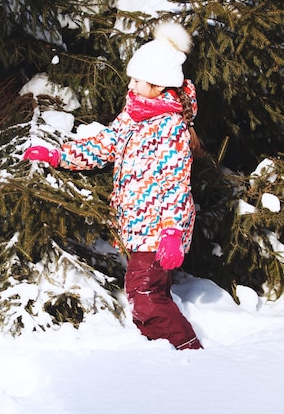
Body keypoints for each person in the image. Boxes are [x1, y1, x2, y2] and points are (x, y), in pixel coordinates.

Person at [24, 22, 203, 350]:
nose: (131, 84)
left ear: (159, 84)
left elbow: (174, 184)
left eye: (138, 80)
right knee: (145, 294)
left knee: (145, 296)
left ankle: (188, 354)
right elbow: (102, 146)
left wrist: (172, 233)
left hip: (158, 230)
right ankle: (163, 352)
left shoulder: (170, 129)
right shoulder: (133, 114)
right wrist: (58, 155)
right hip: (138, 226)